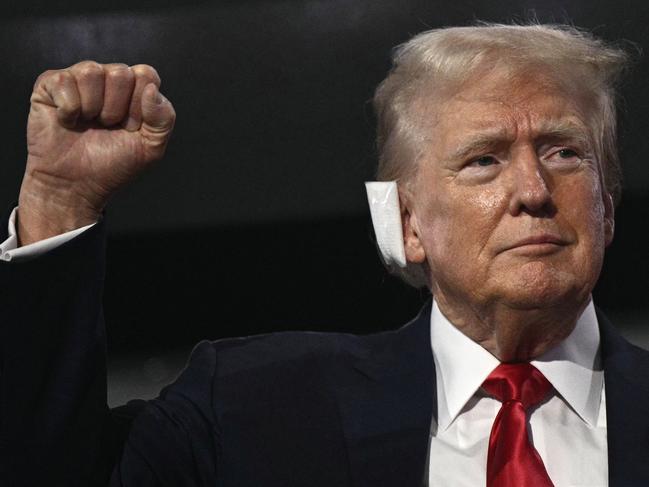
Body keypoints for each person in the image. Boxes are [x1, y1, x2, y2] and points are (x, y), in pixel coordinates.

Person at [1, 23, 648, 486]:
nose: (534, 191)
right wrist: (60, 201)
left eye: (565, 152)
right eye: (483, 160)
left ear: (607, 206)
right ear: (404, 222)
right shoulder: (252, 406)